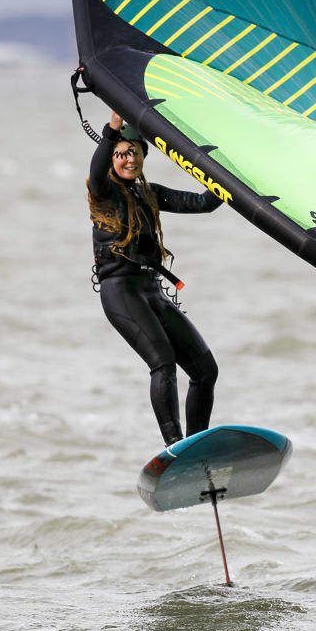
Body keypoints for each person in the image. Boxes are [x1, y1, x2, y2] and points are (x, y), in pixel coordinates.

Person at [86, 112, 224, 447]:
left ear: (143, 157)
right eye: (121, 154)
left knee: (206, 371)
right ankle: (175, 446)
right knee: (162, 364)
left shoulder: (150, 193)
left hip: (151, 289)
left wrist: (230, 173)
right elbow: (97, 166)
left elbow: (204, 202)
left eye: (134, 152)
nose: (128, 159)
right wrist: (114, 125)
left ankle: (197, 444)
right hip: (120, 291)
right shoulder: (103, 191)